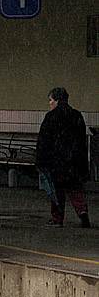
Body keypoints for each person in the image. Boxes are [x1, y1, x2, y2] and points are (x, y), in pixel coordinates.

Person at [36, 87, 91, 228]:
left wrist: (41, 161)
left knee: (57, 191)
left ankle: (57, 219)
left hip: (56, 161)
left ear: (57, 100)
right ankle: (82, 212)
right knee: (75, 189)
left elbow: (44, 141)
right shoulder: (77, 115)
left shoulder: (51, 117)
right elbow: (81, 141)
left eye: (51, 100)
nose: (49, 103)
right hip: (74, 161)